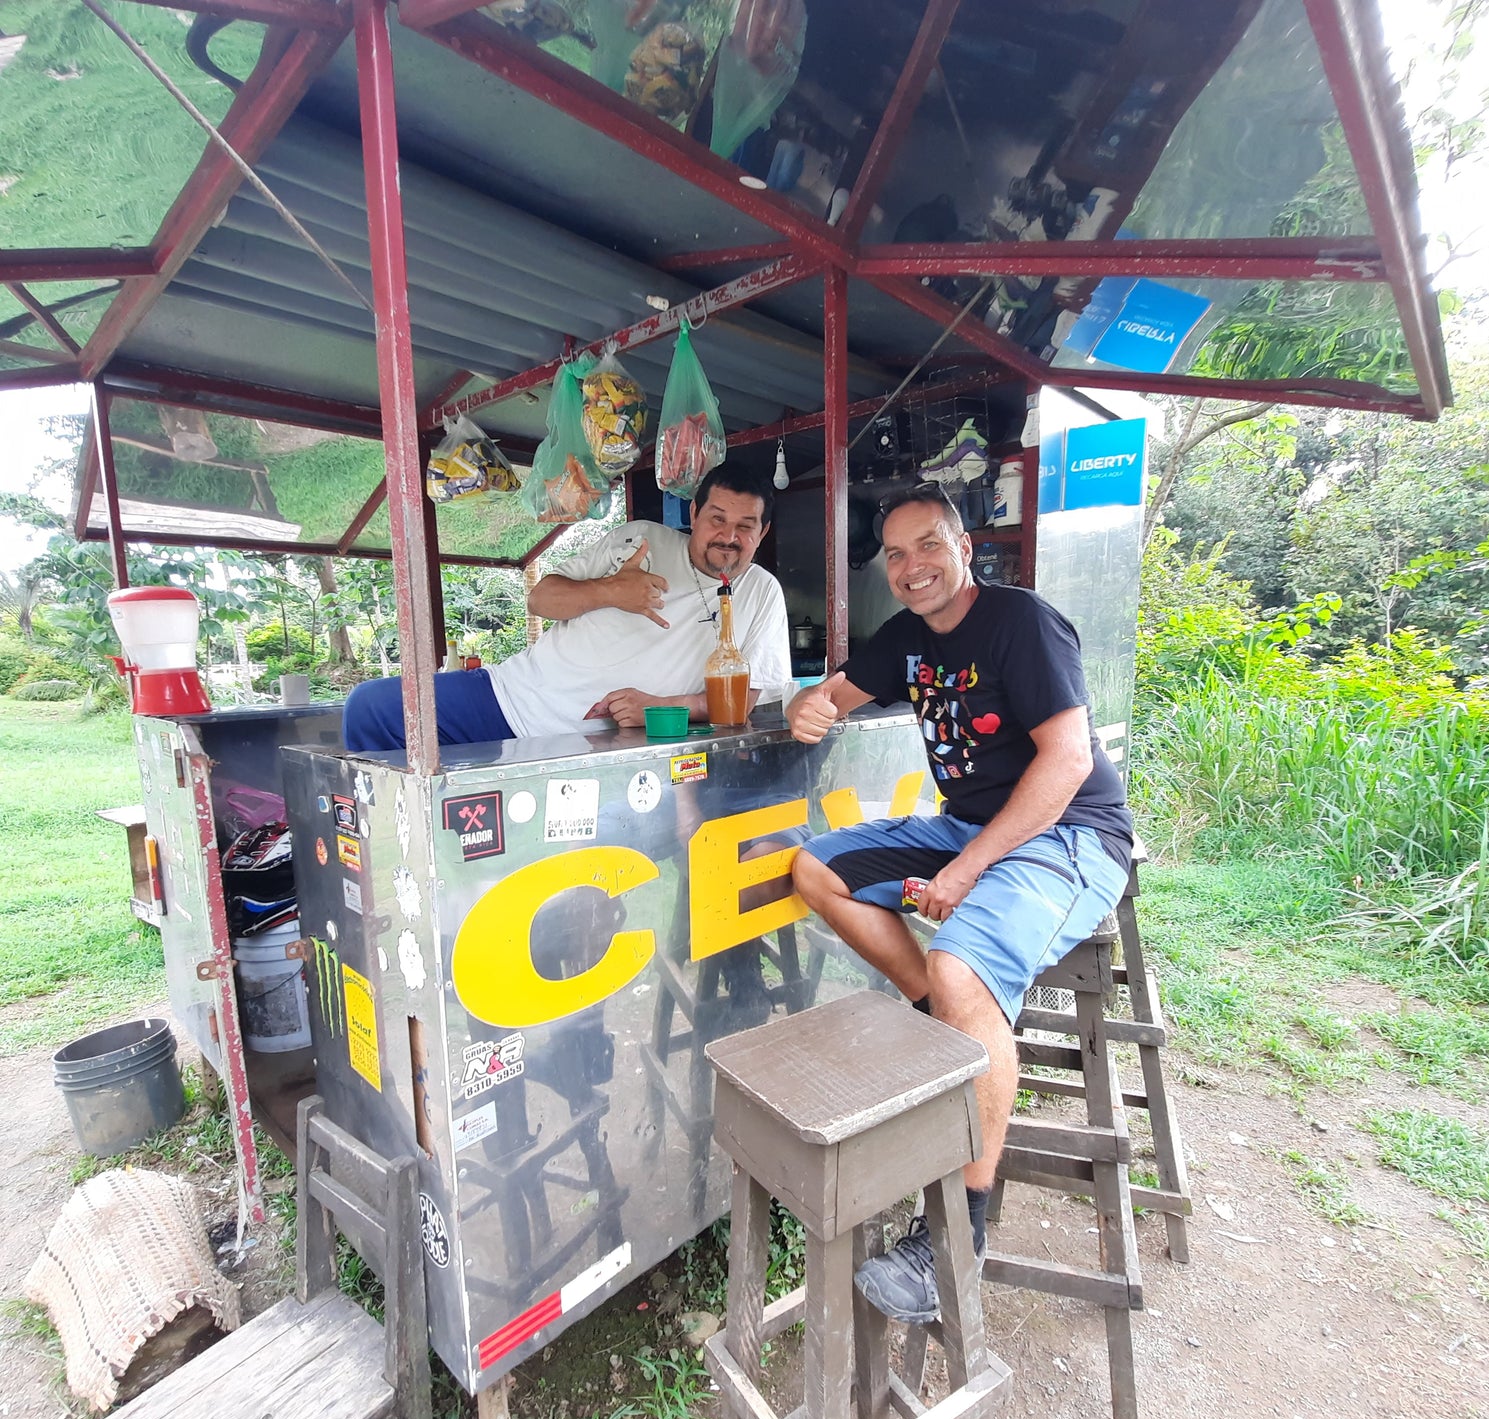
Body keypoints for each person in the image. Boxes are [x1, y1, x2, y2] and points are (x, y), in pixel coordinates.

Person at [785, 484, 1133, 1323]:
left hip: (1068, 834)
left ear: (963, 545)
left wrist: (972, 866)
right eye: (896, 555)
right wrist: (809, 704)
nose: (912, 568)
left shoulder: (1022, 622)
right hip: (966, 824)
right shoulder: (906, 639)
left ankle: (954, 1239)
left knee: (961, 963)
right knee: (813, 872)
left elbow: (1067, 762)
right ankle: (944, 1018)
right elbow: (834, 695)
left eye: (928, 546)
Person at [343, 461, 791, 750]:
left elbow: (743, 702)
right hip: (509, 698)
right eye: (717, 519)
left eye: (744, 526)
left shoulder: (763, 594)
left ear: (762, 533)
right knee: (370, 706)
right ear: (693, 515)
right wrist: (611, 590)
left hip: (595, 742)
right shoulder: (640, 538)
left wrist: (660, 706)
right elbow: (541, 598)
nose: (728, 537)